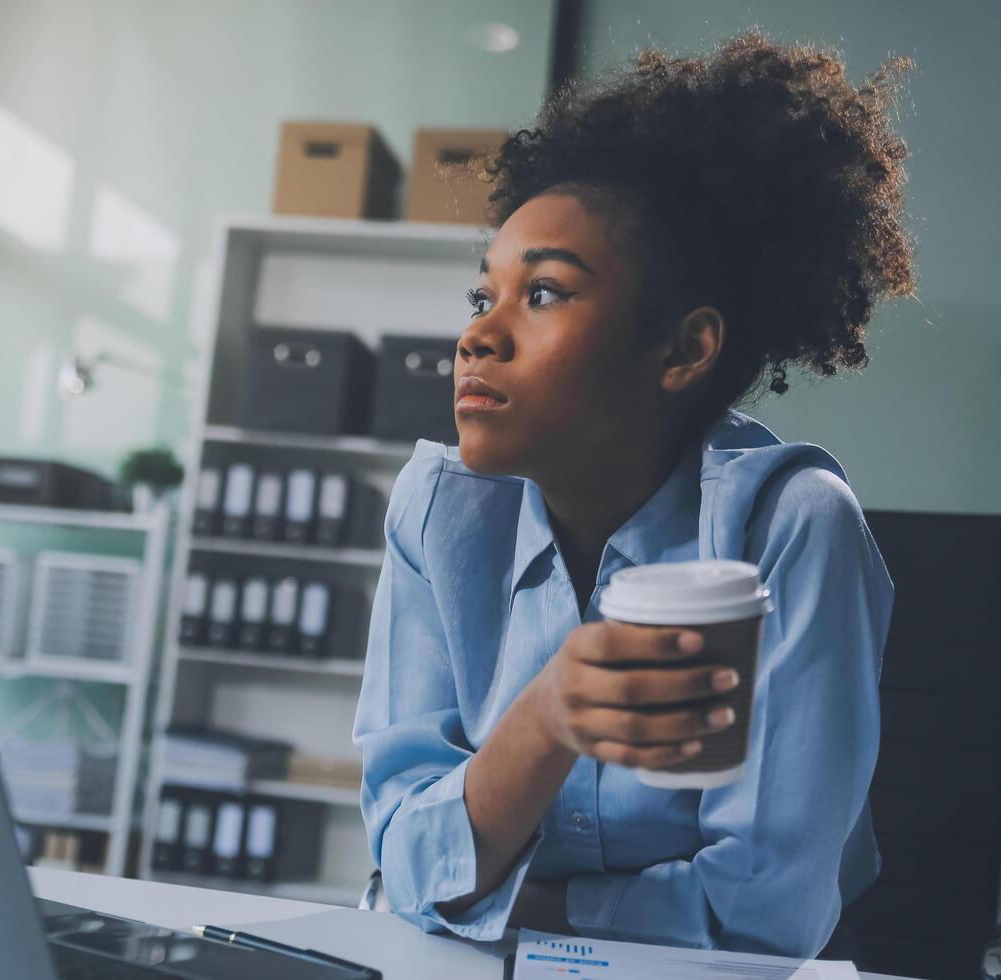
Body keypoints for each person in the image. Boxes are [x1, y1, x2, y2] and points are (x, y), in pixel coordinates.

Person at [352, 30, 917, 958]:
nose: (478, 337)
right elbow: (405, 863)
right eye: (479, 296)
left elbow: (760, 917)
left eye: (543, 295)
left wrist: (519, 901)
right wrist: (546, 718)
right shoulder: (437, 513)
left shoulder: (793, 529)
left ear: (684, 349)